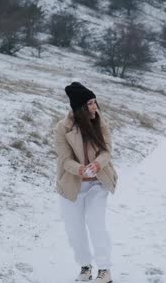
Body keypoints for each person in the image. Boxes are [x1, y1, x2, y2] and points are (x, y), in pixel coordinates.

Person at [54, 82, 117, 283]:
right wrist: (80, 169)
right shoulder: (62, 128)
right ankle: (84, 266)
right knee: (74, 230)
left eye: (94, 102)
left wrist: (97, 165)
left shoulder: (100, 122)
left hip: (98, 183)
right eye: (90, 103)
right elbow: (64, 159)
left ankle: (105, 270)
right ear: (80, 107)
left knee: (95, 223)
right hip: (72, 184)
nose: (94, 107)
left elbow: (106, 151)